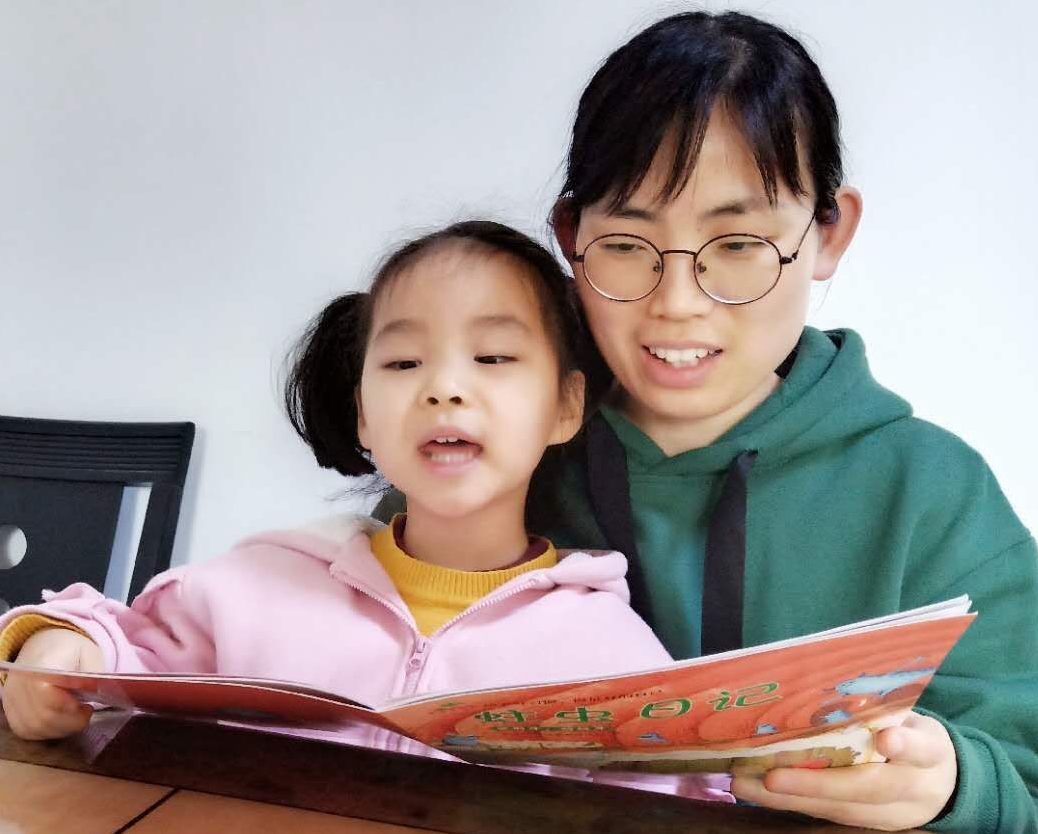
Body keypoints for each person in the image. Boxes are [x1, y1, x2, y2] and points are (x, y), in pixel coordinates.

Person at [376, 11, 1038, 832]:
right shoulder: (480, 456)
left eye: (739, 244)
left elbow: (1026, 779)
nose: (678, 303)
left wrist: (956, 786)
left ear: (829, 233)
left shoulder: (929, 492)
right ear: (570, 236)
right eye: (627, 244)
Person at [0, 220, 731, 802]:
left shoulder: (611, 656)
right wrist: (58, 649)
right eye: (404, 363)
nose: (444, 388)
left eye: (493, 358)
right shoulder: (257, 586)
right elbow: (123, 651)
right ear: (362, 415)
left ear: (567, 405)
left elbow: (682, 799)